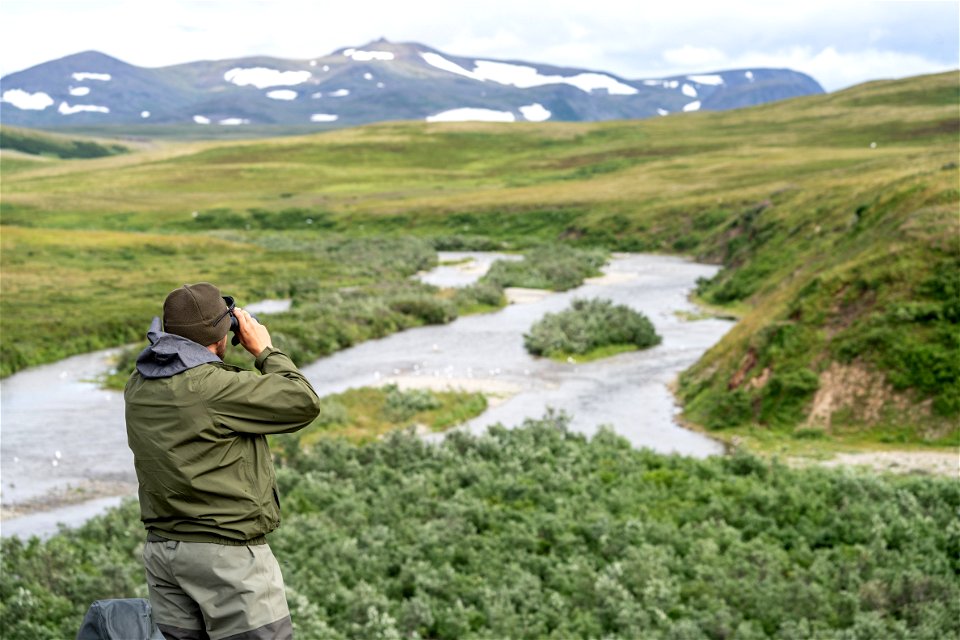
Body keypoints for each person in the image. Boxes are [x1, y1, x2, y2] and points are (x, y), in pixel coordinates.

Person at [125, 283, 322, 640]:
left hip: (163, 553)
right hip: (226, 559)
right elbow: (302, 401)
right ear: (222, 334)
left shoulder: (138, 383)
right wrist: (265, 350)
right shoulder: (217, 388)